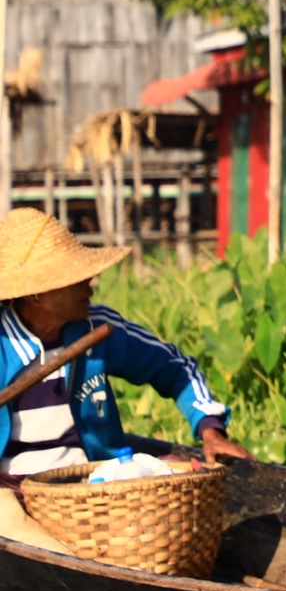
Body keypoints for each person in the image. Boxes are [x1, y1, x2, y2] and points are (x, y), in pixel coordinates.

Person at [0, 208, 247, 552]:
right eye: (75, 277)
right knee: (18, 531)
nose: (90, 283)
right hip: (11, 488)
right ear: (35, 293)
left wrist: (209, 428)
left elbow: (175, 367)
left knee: (179, 482)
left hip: (93, 483)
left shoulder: (98, 329)